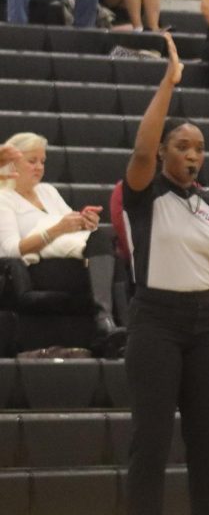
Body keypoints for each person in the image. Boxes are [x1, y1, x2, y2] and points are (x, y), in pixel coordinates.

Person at [121, 35, 209, 515]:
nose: (192, 155)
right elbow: (142, 146)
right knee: (149, 452)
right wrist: (168, 83)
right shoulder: (145, 194)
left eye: (198, 149)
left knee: (208, 455)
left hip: (205, 332)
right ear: (167, 152)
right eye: (183, 146)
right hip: (155, 324)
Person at [0, 132, 125, 355]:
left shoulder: (48, 191)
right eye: (32, 161)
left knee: (102, 243)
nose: (39, 167)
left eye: (42, 161)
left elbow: (73, 228)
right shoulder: (4, 198)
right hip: (35, 270)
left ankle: (108, 325)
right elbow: (10, 250)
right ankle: (108, 323)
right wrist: (56, 230)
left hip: (70, 262)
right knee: (105, 259)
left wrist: (85, 221)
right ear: (12, 163)